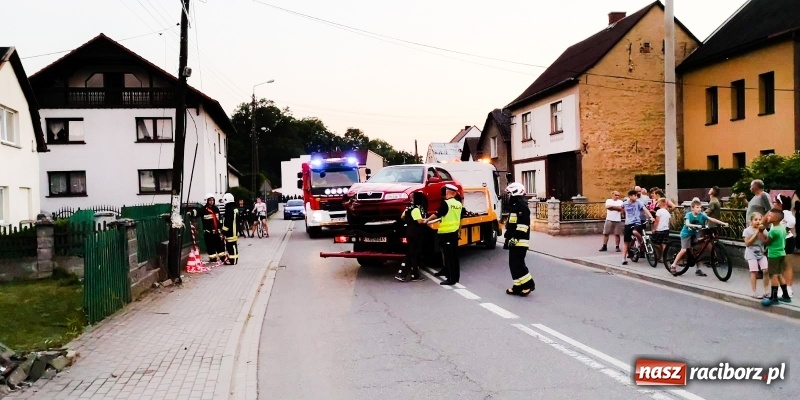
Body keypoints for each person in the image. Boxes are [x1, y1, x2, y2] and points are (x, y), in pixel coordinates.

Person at [669, 198, 729, 276]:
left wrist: (723, 223)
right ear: (692, 208)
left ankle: (698, 269)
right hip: (686, 234)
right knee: (684, 250)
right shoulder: (689, 215)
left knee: (698, 251)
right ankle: (673, 265)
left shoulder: (702, 215)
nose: (699, 209)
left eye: (700, 207)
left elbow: (712, 219)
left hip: (695, 234)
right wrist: (696, 225)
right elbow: (687, 224)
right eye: (697, 207)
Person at [424, 184, 464, 286]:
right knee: (454, 256)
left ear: (448, 192)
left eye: (446, 190)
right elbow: (458, 218)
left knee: (448, 257)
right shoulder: (458, 204)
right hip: (454, 232)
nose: (445, 192)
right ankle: (455, 277)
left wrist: (427, 220)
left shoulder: (446, 203)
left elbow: (437, 214)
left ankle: (451, 279)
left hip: (446, 234)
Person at [503, 182, 535, 297]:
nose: (509, 196)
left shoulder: (522, 206)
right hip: (514, 240)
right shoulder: (516, 206)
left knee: (519, 264)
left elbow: (523, 225)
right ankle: (518, 286)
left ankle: (528, 285)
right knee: (513, 264)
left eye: (510, 194)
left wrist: (515, 238)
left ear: (515, 192)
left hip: (520, 240)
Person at [758, 209, 792, 306]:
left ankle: (774, 297)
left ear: (776, 218)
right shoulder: (782, 228)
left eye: (770, 216)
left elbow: (766, 242)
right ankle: (786, 296)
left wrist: (760, 232)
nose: (767, 217)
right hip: (782, 253)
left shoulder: (774, 230)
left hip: (774, 255)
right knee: (780, 274)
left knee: (773, 275)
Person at [395, 192, 427, 282]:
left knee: (411, 253)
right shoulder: (416, 209)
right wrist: (427, 221)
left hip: (409, 231)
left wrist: (409, 222)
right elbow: (419, 221)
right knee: (413, 254)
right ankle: (405, 274)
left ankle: (411, 274)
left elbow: (402, 216)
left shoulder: (408, 208)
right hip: (416, 233)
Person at [622, 189, 654, 265]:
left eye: (636, 195)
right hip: (628, 223)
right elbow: (621, 209)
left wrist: (651, 217)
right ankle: (623, 258)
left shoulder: (638, 202)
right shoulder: (625, 203)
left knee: (635, 231)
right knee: (626, 242)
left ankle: (641, 242)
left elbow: (645, 210)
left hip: (637, 222)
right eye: (634, 195)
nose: (636, 197)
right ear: (630, 196)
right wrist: (622, 214)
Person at [743, 212, 770, 299]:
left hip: (761, 252)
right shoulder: (747, 231)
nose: (758, 221)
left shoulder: (763, 230)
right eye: (755, 220)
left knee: (765, 270)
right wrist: (756, 232)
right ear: (751, 221)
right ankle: (754, 292)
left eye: (759, 219)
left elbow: (767, 240)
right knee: (754, 272)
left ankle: (767, 291)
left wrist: (761, 232)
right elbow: (747, 243)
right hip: (751, 253)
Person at [773, 194, 795, 298]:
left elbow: (792, 221)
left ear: (780, 204)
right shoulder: (778, 213)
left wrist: (784, 231)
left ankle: (788, 289)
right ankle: (782, 289)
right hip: (780, 242)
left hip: (786, 241)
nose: (774, 204)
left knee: (786, 266)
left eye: (775, 202)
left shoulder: (785, 213)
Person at [199, 193, 226, 263]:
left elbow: (219, 219)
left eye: (212, 200)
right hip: (208, 231)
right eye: (210, 200)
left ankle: (222, 257)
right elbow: (197, 213)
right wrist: (191, 213)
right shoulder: (203, 210)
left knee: (219, 244)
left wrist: (221, 228)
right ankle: (213, 258)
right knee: (210, 245)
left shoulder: (216, 209)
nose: (211, 202)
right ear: (207, 201)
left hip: (216, 231)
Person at [220, 193, 240, 265]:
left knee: (232, 245)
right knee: (231, 245)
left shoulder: (229, 210)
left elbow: (227, 222)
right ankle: (232, 259)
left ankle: (234, 260)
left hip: (231, 231)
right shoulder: (234, 209)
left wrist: (223, 232)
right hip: (233, 230)